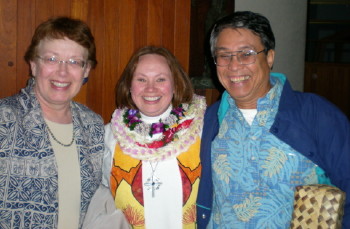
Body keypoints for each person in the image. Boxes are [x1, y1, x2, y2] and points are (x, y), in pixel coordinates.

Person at [196, 11, 350, 228]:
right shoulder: (209, 121)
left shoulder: (315, 114)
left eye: (246, 54)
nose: (234, 66)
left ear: (269, 57)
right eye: (224, 55)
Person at [0, 17, 105, 228]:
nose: (62, 72)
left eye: (74, 62)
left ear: (86, 71)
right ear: (34, 65)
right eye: (51, 59)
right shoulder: (4, 120)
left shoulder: (93, 125)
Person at [95, 46, 206, 228]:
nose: (151, 88)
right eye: (141, 79)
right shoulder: (109, 136)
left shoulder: (200, 129)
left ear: (175, 84)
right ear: (129, 85)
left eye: (160, 79)